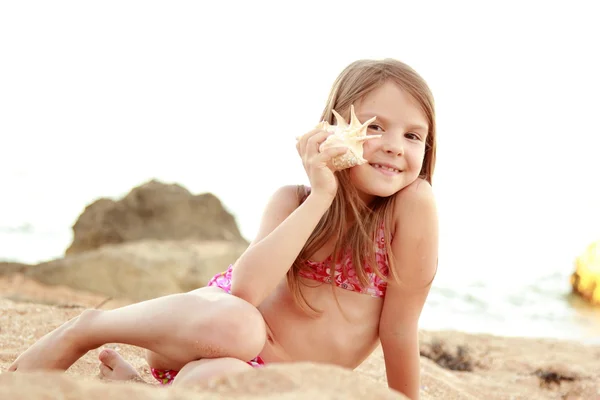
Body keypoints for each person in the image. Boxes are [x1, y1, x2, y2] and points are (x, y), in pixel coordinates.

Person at [8, 58, 438, 400]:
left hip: (249, 373)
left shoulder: (412, 207)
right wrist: (323, 194)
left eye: (414, 136)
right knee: (241, 328)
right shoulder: (294, 200)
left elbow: (398, 329)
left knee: (220, 386)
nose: (394, 146)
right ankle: (89, 328)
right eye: (375, 127)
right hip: (205, 331)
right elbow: (246, 292)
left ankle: (138, 390)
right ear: (333, 127)